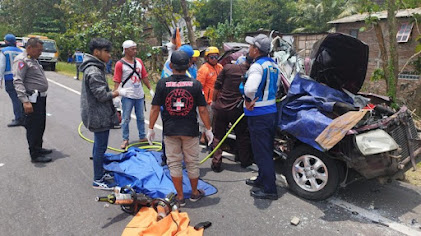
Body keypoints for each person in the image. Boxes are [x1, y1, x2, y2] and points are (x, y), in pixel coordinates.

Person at [147, 51, 214, 206]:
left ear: (171, 65)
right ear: (188, 65)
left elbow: (155, 108)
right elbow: (203, 110)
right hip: (190, 130)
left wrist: (151, 128)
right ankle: (195, 193)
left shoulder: (163, 84)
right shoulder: (195, 84)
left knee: (174, 163)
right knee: (192, 162)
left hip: (170, 130)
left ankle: (180, 197)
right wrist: (208, 129)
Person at [80, 38, 127, 190]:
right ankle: (98, 179)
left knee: (99, 146)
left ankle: (100, 172)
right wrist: (117, 93)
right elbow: (101, 95)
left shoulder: (96, 67)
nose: (109, 55)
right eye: (106, 51)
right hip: (97, 115)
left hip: (99, 113)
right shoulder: (93, 71)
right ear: (96, 52)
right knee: (100, 148)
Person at [243, 34, 282, 200]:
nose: (249, 49)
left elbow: (250, 89)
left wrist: (248, 100)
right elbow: (278, 87)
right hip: (270, 112)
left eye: (251, 46)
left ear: (256, 50)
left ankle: (269, 189)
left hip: (258, 114)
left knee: (262, 152)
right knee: (264, 149)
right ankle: (261, 179)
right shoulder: (274, 65)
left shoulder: (257, 66)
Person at [210, 54, 254, 172]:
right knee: (242, 135)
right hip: (238, 109)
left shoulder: (228, 68)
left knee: (218, 135)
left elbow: (217, 86)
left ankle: (216, 162)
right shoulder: (252, 72)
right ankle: (244, 161)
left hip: (221, 107)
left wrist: (214, 102)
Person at [13, 37, 53, 163]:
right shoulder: (21, 60)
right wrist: (25, 101)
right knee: (33, 127)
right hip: (31, 99)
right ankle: (34, 154)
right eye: (38, 50)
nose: (40, 52)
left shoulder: (33, 59)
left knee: (40, 125)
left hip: (40, 98)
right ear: (29, 48)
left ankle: (38, 148)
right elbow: (18, 81)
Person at [113, 40, 154, 149]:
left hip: (139, 95)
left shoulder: (139, 61)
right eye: (133, 49)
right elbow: (117, 80)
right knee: (126, 118)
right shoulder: (120, 64)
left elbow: (144, 76)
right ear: (126, 50)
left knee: (140, 117)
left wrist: (150, 89)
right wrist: (116, 94)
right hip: (127, 95)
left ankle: (142, 136)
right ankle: (125, 139)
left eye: (136, 48)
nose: (135, 51)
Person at [197, 46, 223, 144]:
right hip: (207, 100)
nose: (214, 59)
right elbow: (199, 86)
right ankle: (203, 136)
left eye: (216, 57)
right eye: (212, 57)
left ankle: (211, 136)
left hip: (218, 99)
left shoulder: (220, 67)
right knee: (206, 119)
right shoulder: (204, 69)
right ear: (207, 58)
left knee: (215, 120)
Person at [0, 34, 24, 127]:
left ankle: (18, 118)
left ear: (6, 42)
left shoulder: (4, 52)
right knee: (21, 96)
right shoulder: (21, 51)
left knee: (15, 98)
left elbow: (1, 66)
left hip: (10, 77)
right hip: (21, 77)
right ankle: (23, 116)